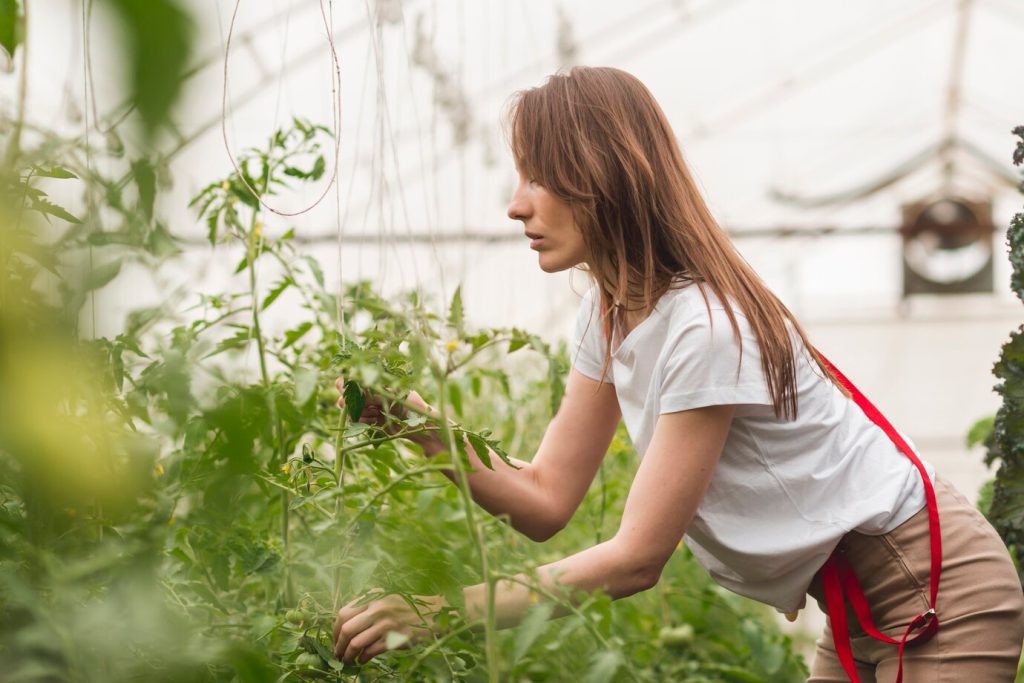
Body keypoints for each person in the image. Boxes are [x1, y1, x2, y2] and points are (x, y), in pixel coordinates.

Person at [331, 66, 1024, 680]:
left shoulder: (703, 326)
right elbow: (544, 498)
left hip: (935, 590)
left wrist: (440, 611)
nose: (517, 205)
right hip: (856, 601)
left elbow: (637, 559)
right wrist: (412, 424)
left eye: (537, 177)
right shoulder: (607, 314)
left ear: (601, 176)